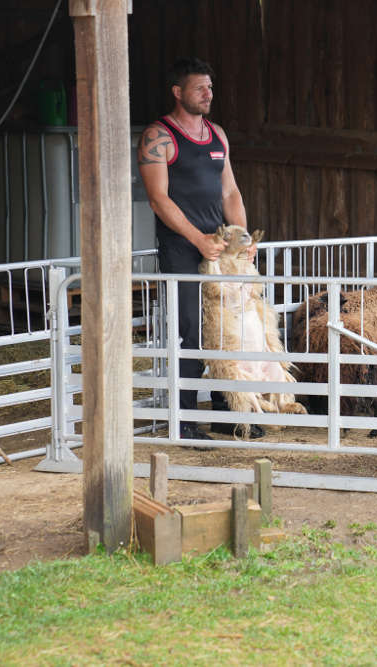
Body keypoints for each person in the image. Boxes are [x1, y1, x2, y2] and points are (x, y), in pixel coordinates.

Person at [138, 57, 262, 441]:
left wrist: (242, 239)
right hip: (182, 248)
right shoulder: (158, 136)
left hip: (220, 246)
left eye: (210, 87)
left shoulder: (218, 134)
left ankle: (228, 413)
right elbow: (158, 199)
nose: (209, 94)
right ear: (178, 92)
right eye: (199, 88)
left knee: (227, 330)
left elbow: (230, 191)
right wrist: (198, 240)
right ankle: (185, 421)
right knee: (190, 332)